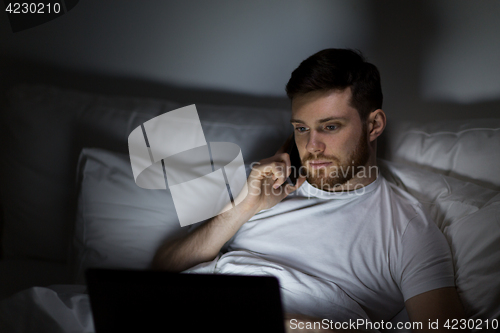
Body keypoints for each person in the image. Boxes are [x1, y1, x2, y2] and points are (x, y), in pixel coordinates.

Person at [152, 49, 467, 332]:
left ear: (374, 125)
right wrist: (243, 208)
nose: (311, 147)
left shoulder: (408, 229)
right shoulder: (260, 184)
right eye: (301, 128)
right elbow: (163, 268)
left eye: (330, 127)